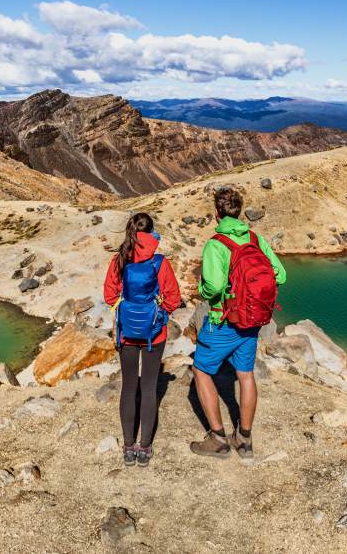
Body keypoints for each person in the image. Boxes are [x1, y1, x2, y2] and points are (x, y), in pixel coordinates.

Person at [190, 187, 286, 459]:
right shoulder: (255, 239)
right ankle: (244, 440)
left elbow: (214, 285)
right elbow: (281, 275)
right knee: (245, 375)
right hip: (253, 321)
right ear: (240, 211)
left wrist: (204, 291)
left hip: (223, 320)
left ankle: (218, 439)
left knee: (201, 370)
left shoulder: (216, 244)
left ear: (217, 213)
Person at [103, 212, 181, 467]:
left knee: (128, 387)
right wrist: (159, 313)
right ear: (152, 232)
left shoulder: (119, 260)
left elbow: (109, 295)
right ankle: (144, 447)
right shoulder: (160, 263)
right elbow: (173, 297)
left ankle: (127, 446)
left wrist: (125, 307)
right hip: (153, 334)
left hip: (126, 332)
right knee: (149, 388)